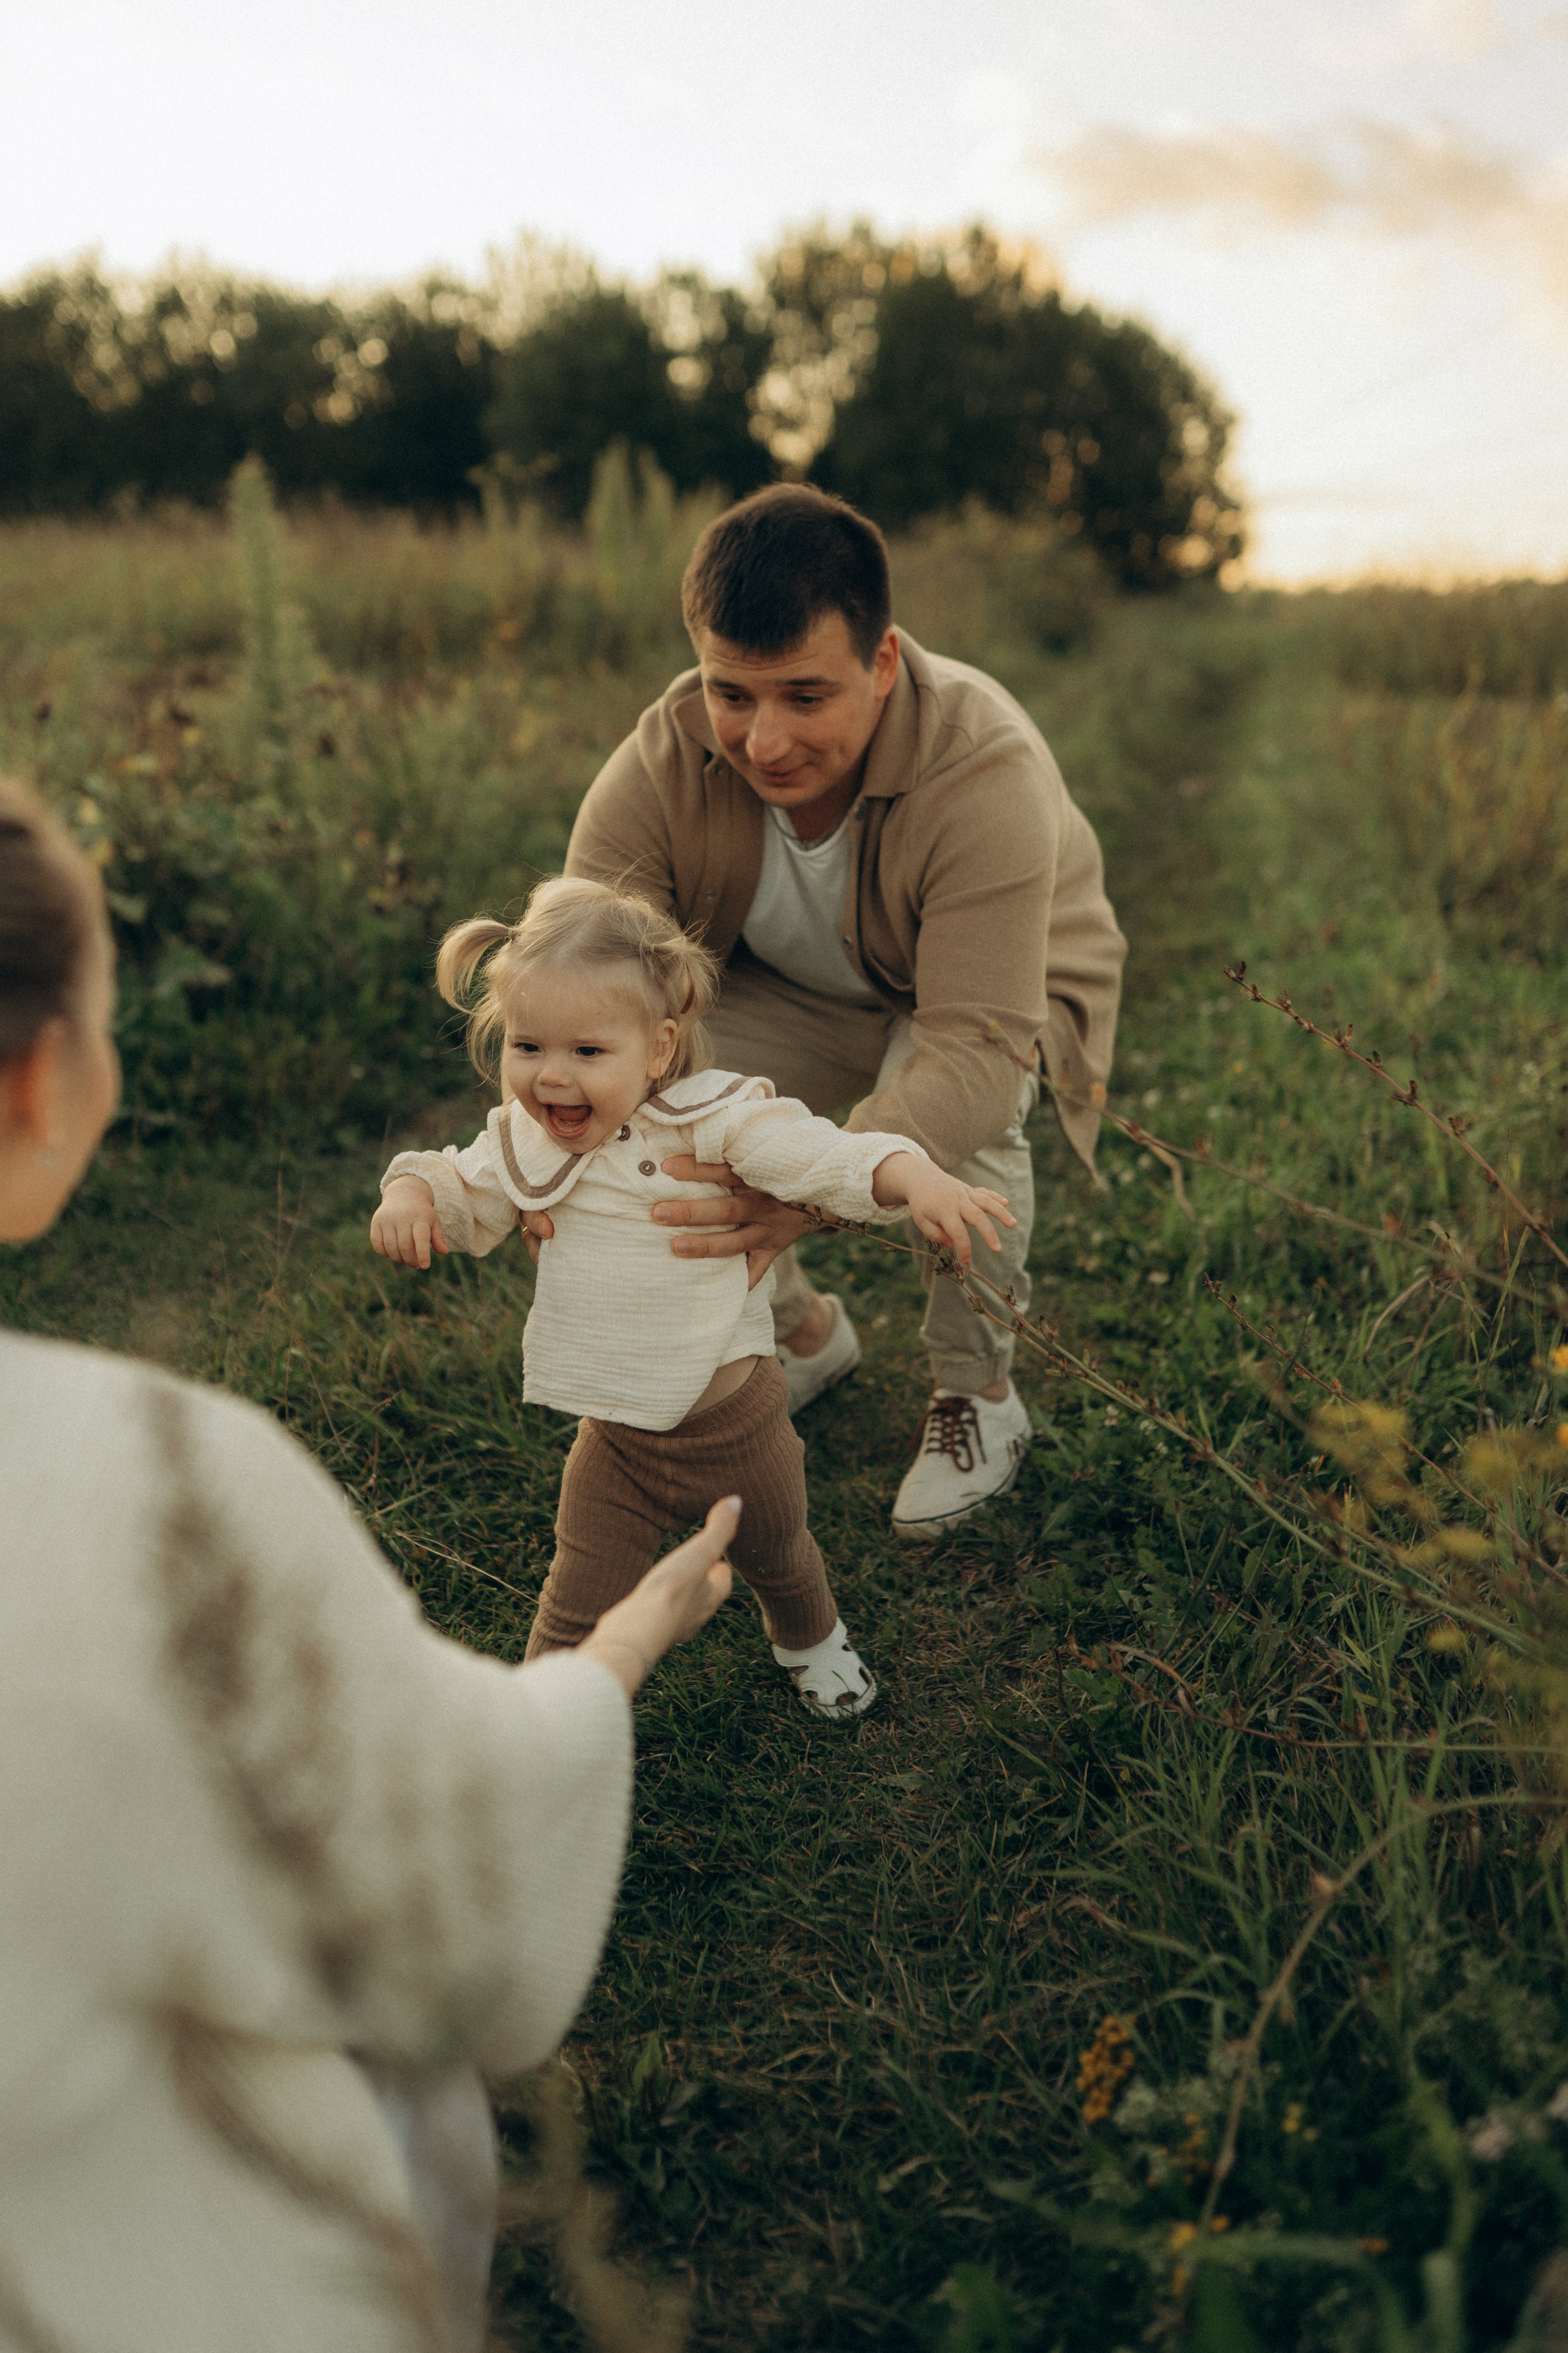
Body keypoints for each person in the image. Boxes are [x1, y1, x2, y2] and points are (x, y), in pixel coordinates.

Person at [0, 776, 734, 2353]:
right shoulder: (158, 1493)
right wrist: (609, 1660)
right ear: (36, 1085)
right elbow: (462, 1922)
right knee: (401, 2061)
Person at [562, 483, 1127, 1543]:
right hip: (795, 997)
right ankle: (804, 1333)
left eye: (805, 697)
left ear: (883, 663)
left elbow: (972, 1050)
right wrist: (553, 1147)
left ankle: (979, 1394)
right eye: (732, 692)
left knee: (978, 1121)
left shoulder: (982, 761)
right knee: (644, 1094)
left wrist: (812, 1199)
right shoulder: (663, 754)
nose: (763, 740)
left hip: (980, 1001)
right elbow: (581, 978)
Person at [373, 875, 1014, 1721]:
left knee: (781, 1557)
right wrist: (411, 1195)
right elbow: (461, 1181)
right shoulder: (527, 1143)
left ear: (661, 1048)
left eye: (587, 1052)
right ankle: (543, 1718)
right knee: (577, 1593)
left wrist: (914, 1174)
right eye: (527, 1047)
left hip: (734, 1424)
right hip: (617, 1440)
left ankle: (811, 1641)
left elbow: (822, 1156)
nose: (551, 1077)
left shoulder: (713, 1122)